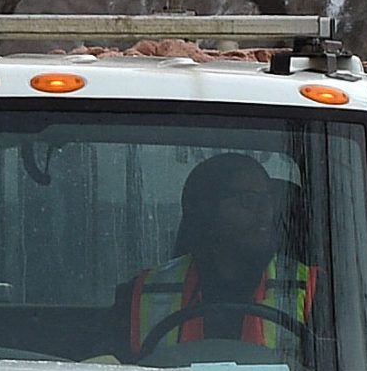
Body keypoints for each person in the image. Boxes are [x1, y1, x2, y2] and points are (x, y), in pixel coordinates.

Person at [124, 153, 316, 357]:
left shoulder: (316, 291)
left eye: (268, 199)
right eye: (249, 200)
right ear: (206, 210)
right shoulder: (141, 293)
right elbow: (105, 370)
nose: (266, 212)